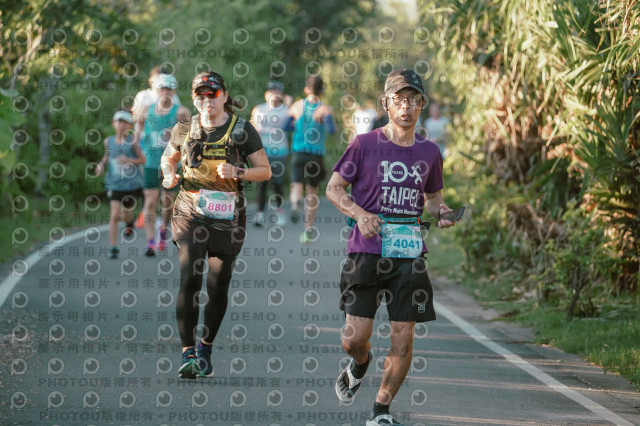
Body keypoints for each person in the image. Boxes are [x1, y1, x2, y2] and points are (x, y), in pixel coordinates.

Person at [326, 69, 457, 426]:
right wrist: (359, 213)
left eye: (414, 100)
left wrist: (442, 212)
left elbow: (433, 198)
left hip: (409, 254)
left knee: (403, 336)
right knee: (355, 339)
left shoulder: (430, 151)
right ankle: (360, 363)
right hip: (366, 251)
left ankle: (381, 410)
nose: (407, 107)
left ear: (422, 105)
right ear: (386, 103)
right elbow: (334, 188)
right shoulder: (364, 144)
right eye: (399, 100)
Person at [160, 71, 271, 379]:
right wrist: (168, 173)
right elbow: (168, 158)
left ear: (224, 96)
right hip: (190, 212)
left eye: (212, 94)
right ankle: (188, 353)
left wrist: (238, 172)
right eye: (201, 95)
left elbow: (265, 171)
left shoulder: (242, 129)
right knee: (190, 278)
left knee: (218, 284)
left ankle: (205, 348)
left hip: (227, 219)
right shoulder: (184, 127)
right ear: (194, 98)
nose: (207, 100)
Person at [138, 73, 191, 256]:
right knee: (150, 200)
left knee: (167, 202)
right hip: (151, 162)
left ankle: (163, 228)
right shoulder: (147, 110)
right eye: (162, 88)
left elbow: (190, 137)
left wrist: (175, 134)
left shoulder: (181, 111)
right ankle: (150, 242)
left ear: (174, 90)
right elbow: (139, 131)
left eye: (169, 88)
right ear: (156, 90)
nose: (165, 92)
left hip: (171, 162)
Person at [288, 75, 336, 243]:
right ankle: (308, 228)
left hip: (298, 153)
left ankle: (296, 202)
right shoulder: (325, 109)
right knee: (312, 192)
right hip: (316, 155)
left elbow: (286, 126)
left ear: (306, 89)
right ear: (322, 90)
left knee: (296, 186)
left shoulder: (296, 106)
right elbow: (331, 130)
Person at [95, 110, 146, 259]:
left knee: (126, 215)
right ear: (113, 124)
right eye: (119, 121)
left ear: (129, 125)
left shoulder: (132, 141)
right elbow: (106, 157)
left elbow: (143, 160)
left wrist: (128, 160)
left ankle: (129, 223)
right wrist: (100, 165)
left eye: (125, 122)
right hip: (114, 184)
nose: (121, 125)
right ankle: (113, 247)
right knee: (114, 214)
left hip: (131, 185)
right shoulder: (108, 141)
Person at [250, 81, 291, 227]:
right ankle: (260, 213)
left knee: (277, 183)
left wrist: (289, 106)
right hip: (262, 151)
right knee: (262, 182)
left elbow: (292, 125)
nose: (273, 94)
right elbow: (253, 128)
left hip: (279, 151)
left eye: (276, 91)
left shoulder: (286, 110)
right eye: (271, 91)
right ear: (266, 94)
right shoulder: (259, 109)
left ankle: (279, 211)